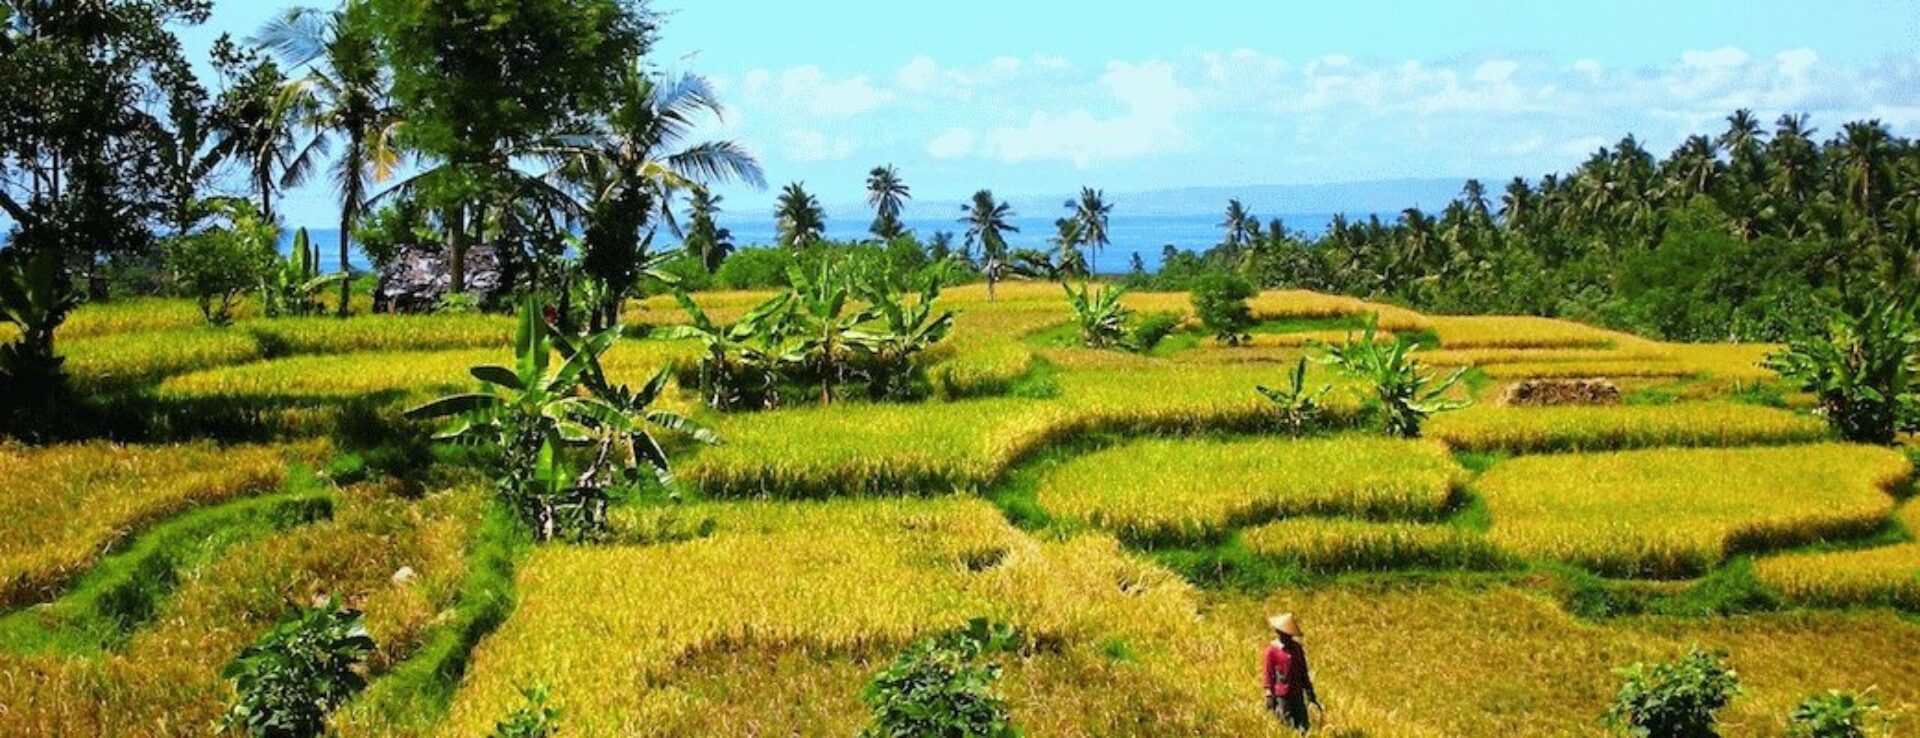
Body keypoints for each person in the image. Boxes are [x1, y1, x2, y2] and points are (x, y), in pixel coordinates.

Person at [1263, 612, 1320, 732]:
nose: (1286, 637)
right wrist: (1269, 695)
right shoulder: (1272, 651)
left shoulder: (1297, 648)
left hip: (1297, 692)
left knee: (1303, 725)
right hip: (1282, 694)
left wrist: (1310, 693)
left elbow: (1303, 671)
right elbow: (1269, 674)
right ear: (1278, 633)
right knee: (1286, 723)